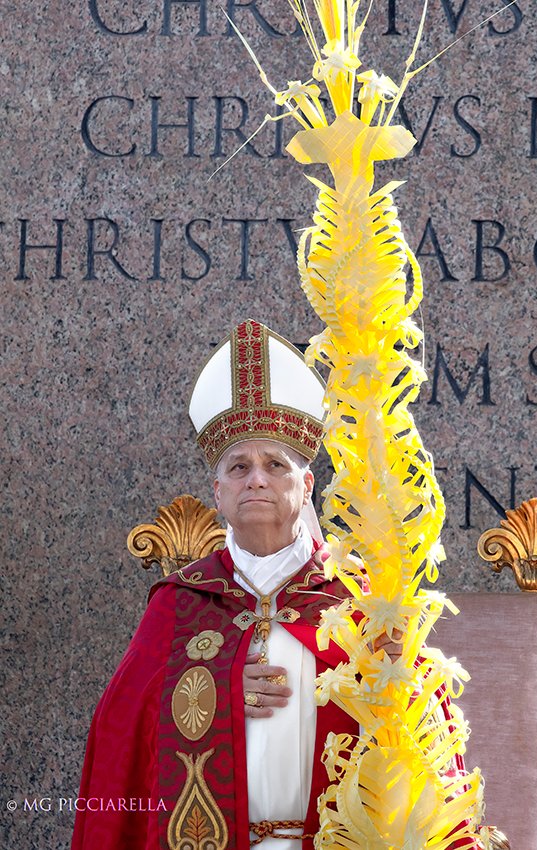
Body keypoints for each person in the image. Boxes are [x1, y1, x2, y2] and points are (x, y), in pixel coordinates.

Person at [72, 318, 391, 850]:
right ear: (218, 493)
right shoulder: (180, 602)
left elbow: (417, 734)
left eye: (274, 464)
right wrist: (213, 695)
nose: (257, 478)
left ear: (306, 485)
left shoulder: (359, 598)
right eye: (239, 467)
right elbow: (120, 727)